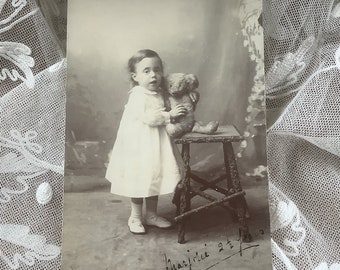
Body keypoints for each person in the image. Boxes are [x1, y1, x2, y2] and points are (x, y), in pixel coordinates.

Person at [105, 49, 197, 234]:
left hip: (155, 144)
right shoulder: (138, 95)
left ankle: (152, 215)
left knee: (154, 177)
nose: (153, 75)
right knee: (140, 179)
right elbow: (149, 118)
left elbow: (175, 101)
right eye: (146, 71)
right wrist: (169, 115)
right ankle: (136, 217)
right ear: (135, 76)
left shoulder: (159, 93)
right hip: (139, 146)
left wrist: (191, 97)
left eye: (157, 70)